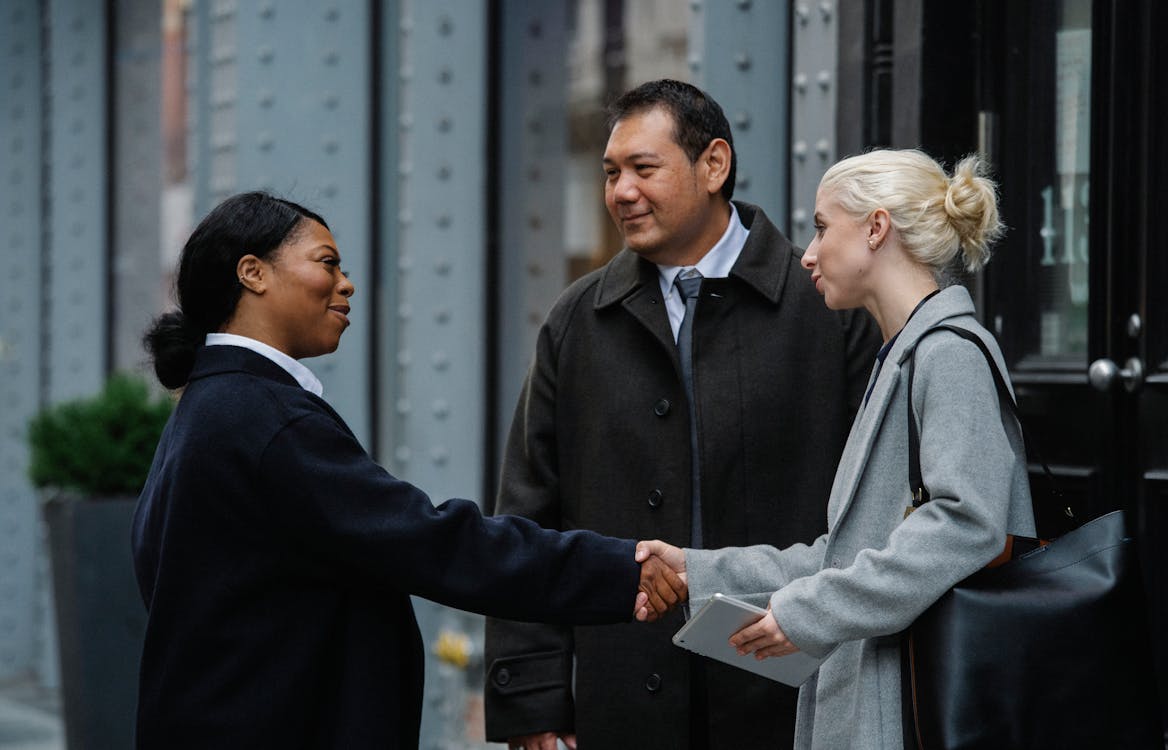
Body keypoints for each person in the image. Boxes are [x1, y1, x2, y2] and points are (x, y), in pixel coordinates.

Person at [131, 191, 685, 750]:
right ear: (252, 273)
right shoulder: (263, 419)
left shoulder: (206, 411)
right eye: (327, 263)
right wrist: (617, 570)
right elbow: (431, 539)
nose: (347, 284)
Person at [483, 79, 880, 750]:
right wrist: (535, 701)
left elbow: (876, 511)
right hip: (622, 697)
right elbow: (528, 514)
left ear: (714, 166)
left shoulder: (827, 309)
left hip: (795, 694)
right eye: (611, 173)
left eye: (643, 168)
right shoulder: (576, 321)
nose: (620, 192)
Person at [637, 148, 1038, 749]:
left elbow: (965, 524)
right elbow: (845, 556)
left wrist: (806, 615)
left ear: (877, 229)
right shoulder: (904, 356)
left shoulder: (947, 353)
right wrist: (696, 571)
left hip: (918, 711)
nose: (808, 253)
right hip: (889, 700)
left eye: (823, 228)